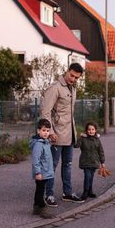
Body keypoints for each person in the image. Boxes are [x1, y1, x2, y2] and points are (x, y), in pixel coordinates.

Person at [40, 63, 84, 206]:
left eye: (76, 78)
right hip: (56, 134)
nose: (73, 79)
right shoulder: (55, 88)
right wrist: (50, 132)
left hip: (69, 135)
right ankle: (49, 195)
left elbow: (69, 114)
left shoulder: (73, 89)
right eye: (72, 75)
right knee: (52, 165)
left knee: (68, 164)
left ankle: (67, 193)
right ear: (67, 71)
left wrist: (75, 134)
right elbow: (45, 112)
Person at [30, 119, 55, 219]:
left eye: (48, 131)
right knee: (41, 190)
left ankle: (36, 207)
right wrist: (38, 172)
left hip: (45, 171)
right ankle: (43, 208)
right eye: (44, 130)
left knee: (39, 189)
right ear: (38, 131)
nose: (46, 133)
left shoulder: (45, 142)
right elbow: (36, 160)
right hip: (41, 172)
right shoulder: (38, 144)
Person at [76, 122, 106, 201]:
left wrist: (102, 162)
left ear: (95, 130)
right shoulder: (83, 139)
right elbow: (76, 145)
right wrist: (80, 137)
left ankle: (90, 191)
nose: (91, 131)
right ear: (86, 130)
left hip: (94, 162)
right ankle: (85, 193)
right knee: (87, 176)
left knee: (91, 177)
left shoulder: (97, 140)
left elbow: (101, 151)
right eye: (89, 129)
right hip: (85, 162)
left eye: (93, 129)